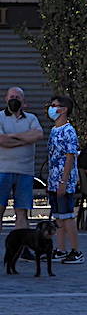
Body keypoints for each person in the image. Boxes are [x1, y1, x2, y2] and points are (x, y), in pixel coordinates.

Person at [0, 86, 43, 236]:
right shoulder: (0, 117)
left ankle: (22, 249)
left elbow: (38, 135)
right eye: (11, 97)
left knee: (22, 213)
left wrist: (11, 136)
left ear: (23, 101)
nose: (14, 100)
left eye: (17, 98)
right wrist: (24, 139)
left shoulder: (31, 118)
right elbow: (1, 140)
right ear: (6, 99)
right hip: (2, 171)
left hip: (25, 172)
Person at [46, 96, 83, 264]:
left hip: (64, 180)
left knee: (67, 216)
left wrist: (64, 181)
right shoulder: (54, 130)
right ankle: (60, 249)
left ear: (64, 109)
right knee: (58, 216)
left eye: (55, 106)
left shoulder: (69, 131)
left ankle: (76, 251)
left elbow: (70, 157)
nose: (52, 109)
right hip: (53, 179)